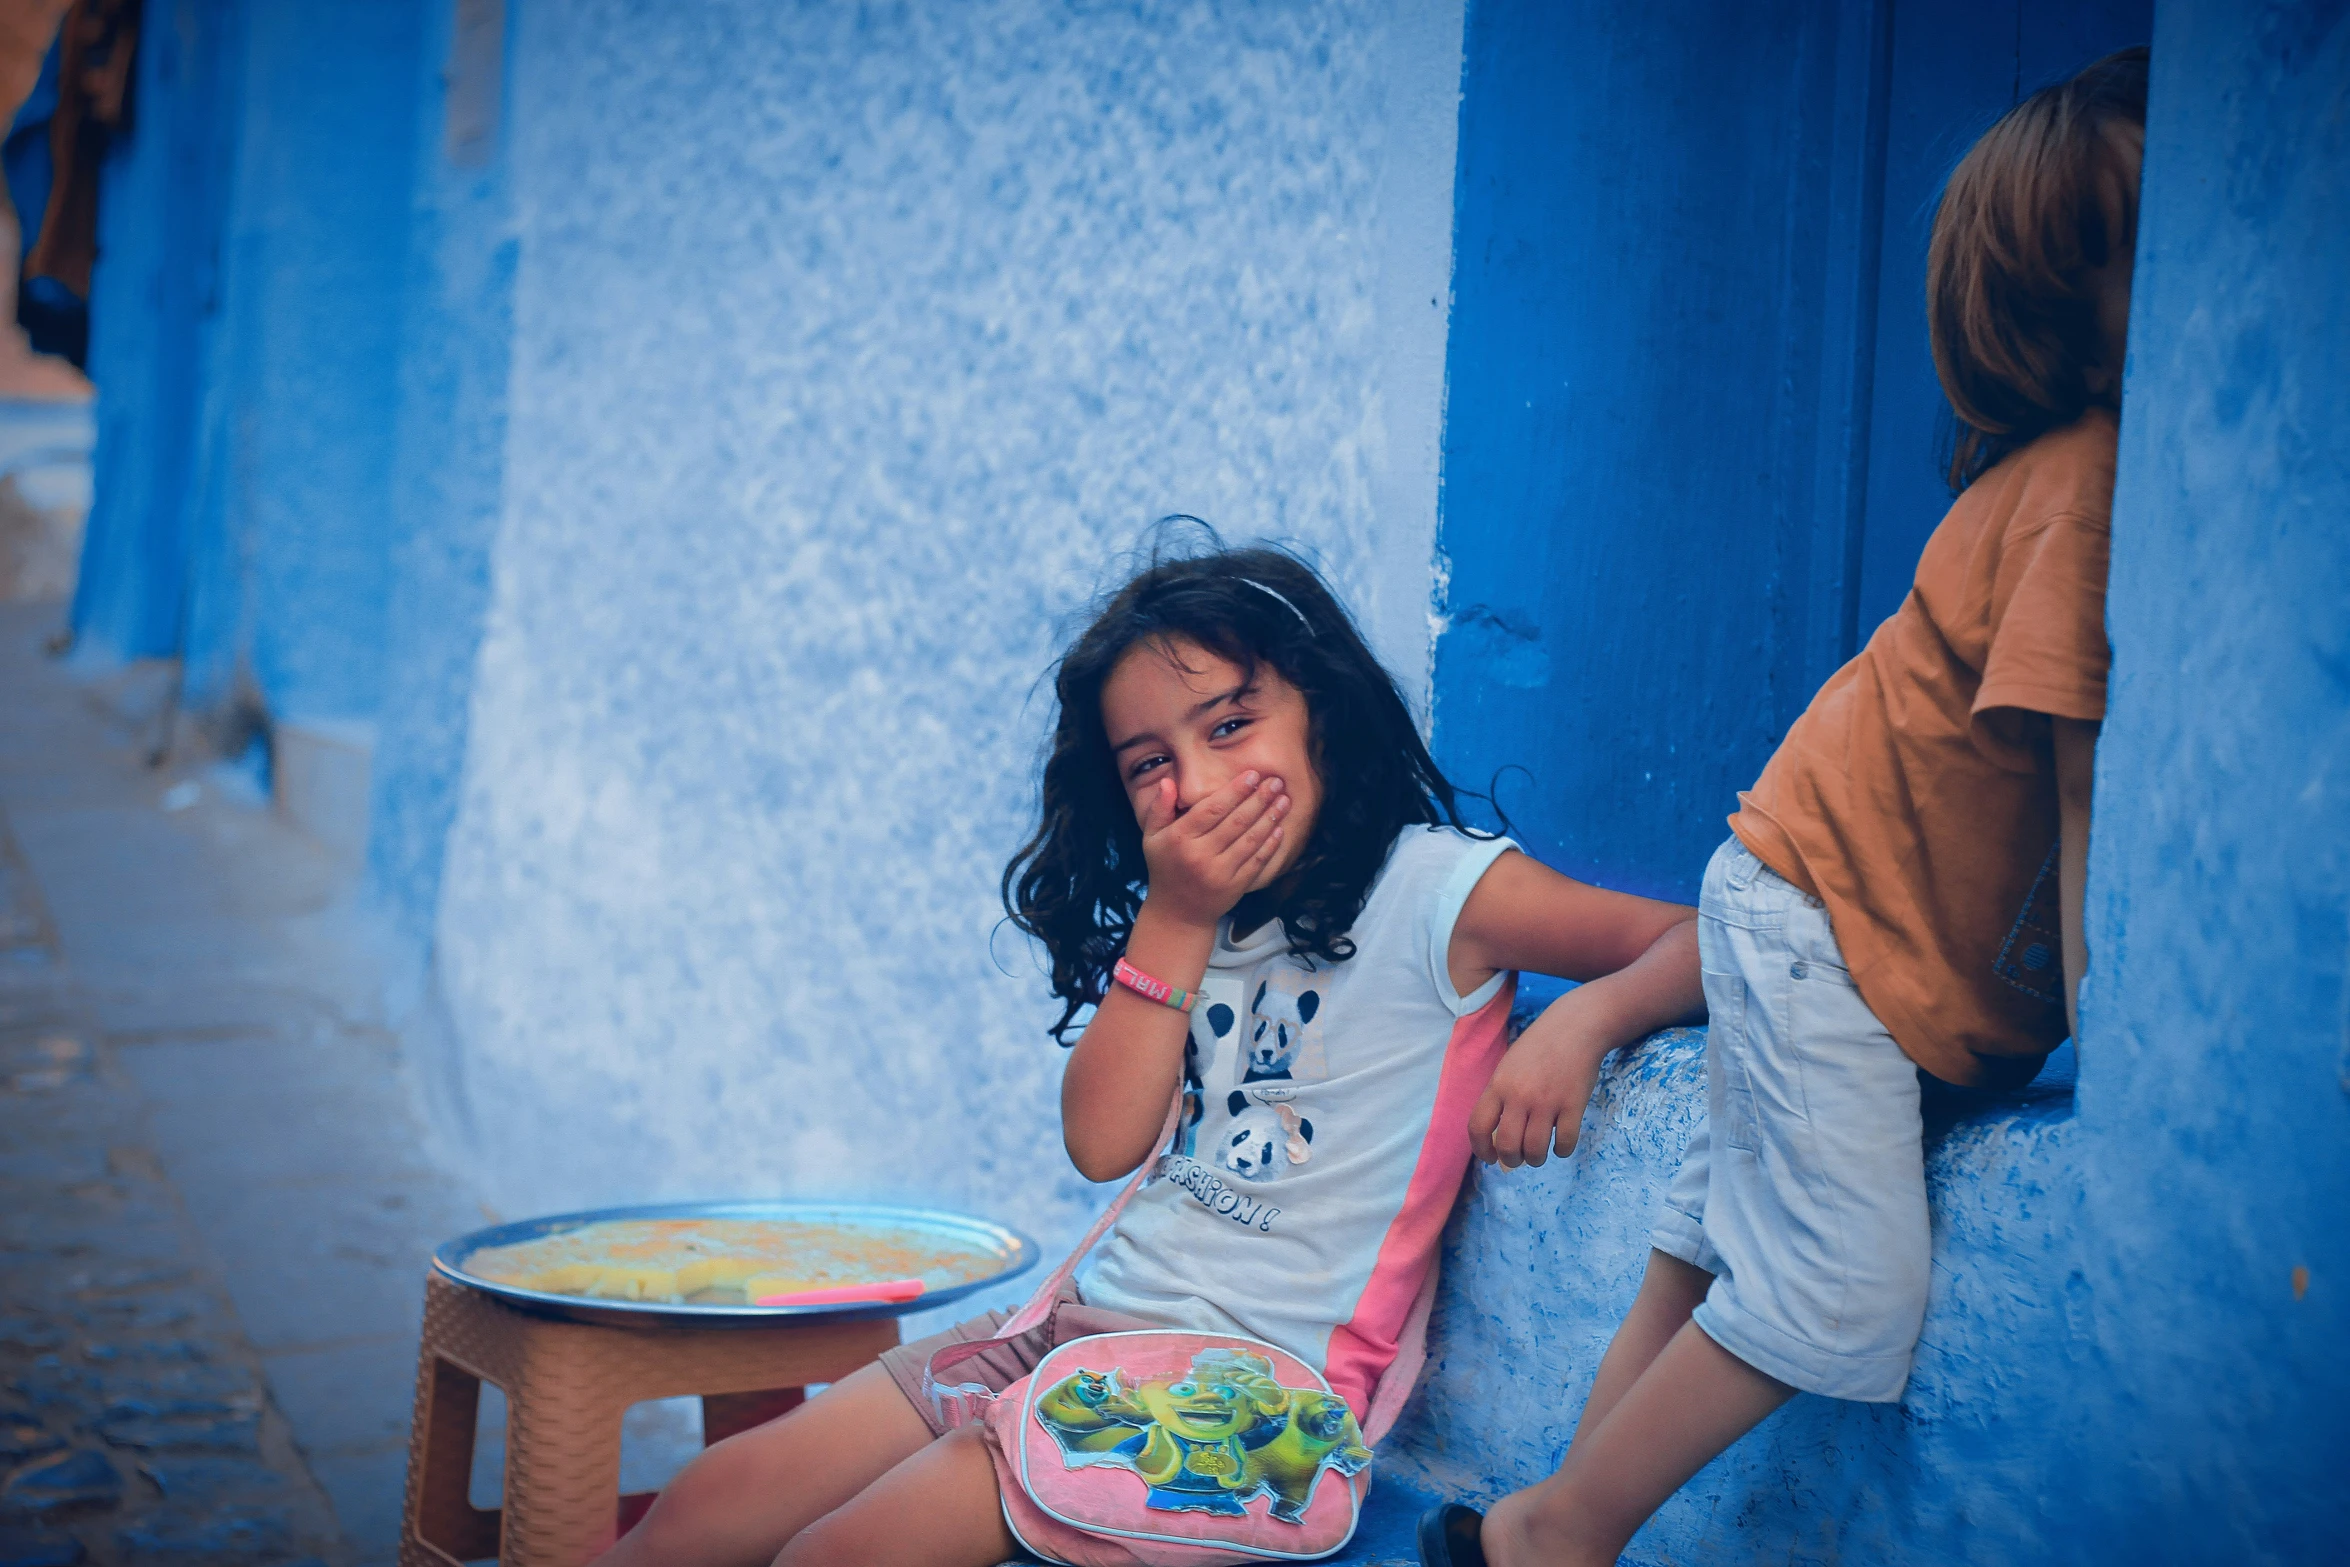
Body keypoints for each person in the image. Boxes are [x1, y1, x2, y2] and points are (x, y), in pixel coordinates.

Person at [597, 540, 1701, 1567]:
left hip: (1240, 1401)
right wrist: (1172, 916)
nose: (1200, 782)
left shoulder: (1439, 890)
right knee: (705, 1503)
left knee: (836, 1556)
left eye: (1229, 725)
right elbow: (1101, 1139)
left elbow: (1707, 941)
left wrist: (1582, 1020)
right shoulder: (1192, 910)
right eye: (1150, 764)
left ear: (1318, 708)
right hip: (1065, 1334)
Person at [1416, 46, 2150, 1567]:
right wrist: (2108, 1030)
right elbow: (2074, 779)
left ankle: (1539, 1527)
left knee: (1704, 1251)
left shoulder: (2075, 480)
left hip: (1810, 911)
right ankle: (1559, 1528)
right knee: (1843, 1290)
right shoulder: (2080, 485)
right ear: (2065, 309)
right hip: (1822, 926)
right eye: (2154, 253)